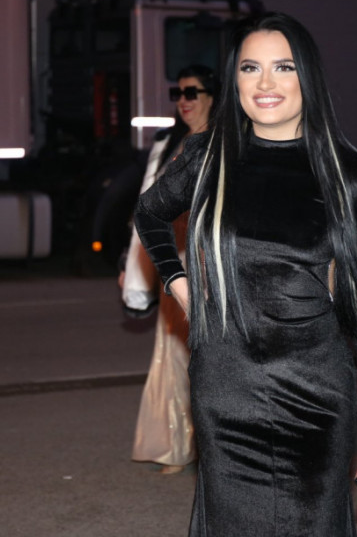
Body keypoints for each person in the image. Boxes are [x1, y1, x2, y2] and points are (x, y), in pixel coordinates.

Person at [133, 12, 357, 535]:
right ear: (234, 80)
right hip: (225, 390)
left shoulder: (350, 176)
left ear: (308, 76)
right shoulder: (207, 157)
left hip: (316, 393)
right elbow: (149, 213)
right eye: (250, 68)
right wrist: (179, 285)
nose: (265, 83)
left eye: (283, 67)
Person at [122, 64, 218, 474]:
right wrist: (131, 264)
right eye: (177, 94)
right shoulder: (169, 144)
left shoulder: (225, 142)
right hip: (172, 258)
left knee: (210, 356)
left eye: (192, 93)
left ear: (212, 96)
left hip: (211, 260)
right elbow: (145, 207)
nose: (183, 101)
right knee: (171, 352)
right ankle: (176, 446)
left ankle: (215, 447)